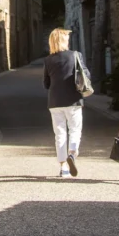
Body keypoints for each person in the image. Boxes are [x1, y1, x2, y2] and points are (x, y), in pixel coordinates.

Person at [42, 27, 84, 178]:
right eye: (66, 38)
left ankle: (63, 168)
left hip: (54, 101)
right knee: (75, 130)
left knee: (59, 134)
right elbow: (85, 75)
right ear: (63, 40)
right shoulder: (75, 55)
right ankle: (72, 153)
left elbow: (46, 84)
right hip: (73, 99)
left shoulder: (48, 60)